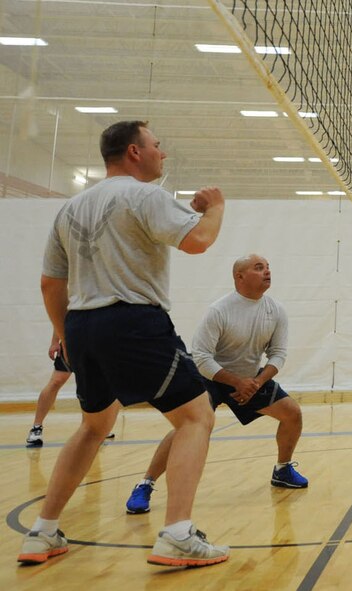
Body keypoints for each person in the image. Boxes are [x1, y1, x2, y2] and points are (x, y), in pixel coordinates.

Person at [18, 120, 228, 568]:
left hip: (81, 326)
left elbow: (49, 282)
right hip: (133, 321)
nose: (162, 153)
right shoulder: (145, 194)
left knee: (93, 426)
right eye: (156, 145)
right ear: (134, 152)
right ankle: (177, 534)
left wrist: (66, 336)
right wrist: (214, 207)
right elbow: (200, 241)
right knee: (196, 416)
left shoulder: (69, 209)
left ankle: (42, 532)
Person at [125, 254, 307, 515]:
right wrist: (236, 382)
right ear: (239, 276)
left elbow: (278, 353)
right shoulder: (220, 310)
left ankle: (283, 469)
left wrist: (256, 382)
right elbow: (200, 357)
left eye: (268, 267)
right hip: (209, 378)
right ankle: (145, 484)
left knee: (292, 414)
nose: (267, 271)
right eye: (259, 268)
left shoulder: (275, 310)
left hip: (250, 378)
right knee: (188, 427)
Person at [25, 333, 114, 447]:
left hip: (97, 341)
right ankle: (36, 427)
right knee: (56, 381)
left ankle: (95, 427)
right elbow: (61, 315)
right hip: (73, 341)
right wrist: (55, 342)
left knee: (93, 385)